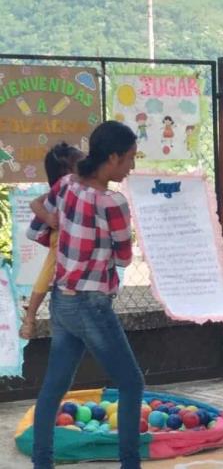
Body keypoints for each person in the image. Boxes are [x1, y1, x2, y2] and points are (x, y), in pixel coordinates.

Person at [27, 121, 142, 469]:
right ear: (112, 158)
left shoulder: (65, 185)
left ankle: (42, 462)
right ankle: (130, 464)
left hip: (62, 299)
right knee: (132, 384)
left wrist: (64, 224)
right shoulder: (113, 202)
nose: (132, 166)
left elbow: (40, 224)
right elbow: (124, 256)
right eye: (130, 159)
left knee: (54, 387)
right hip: (92, 303)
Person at [19, 143, 84, 340]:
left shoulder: (84, 187)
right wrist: (48, 218)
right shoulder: (62, 189)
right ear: (67, 173)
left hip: (75, 241)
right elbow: (34, 204)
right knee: (48, 270)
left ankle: (31, 314)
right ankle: (30, 316)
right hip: (61, 237)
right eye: (82, 162)